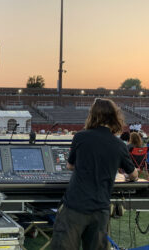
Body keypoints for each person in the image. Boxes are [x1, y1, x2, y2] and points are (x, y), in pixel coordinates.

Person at [51, 98, 138, 250]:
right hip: (100, 209)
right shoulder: (119, 145)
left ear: (92, 115)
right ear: (114, 117)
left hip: (74, 206)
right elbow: (133, 175)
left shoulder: (80, 137)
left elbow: (70, 166)